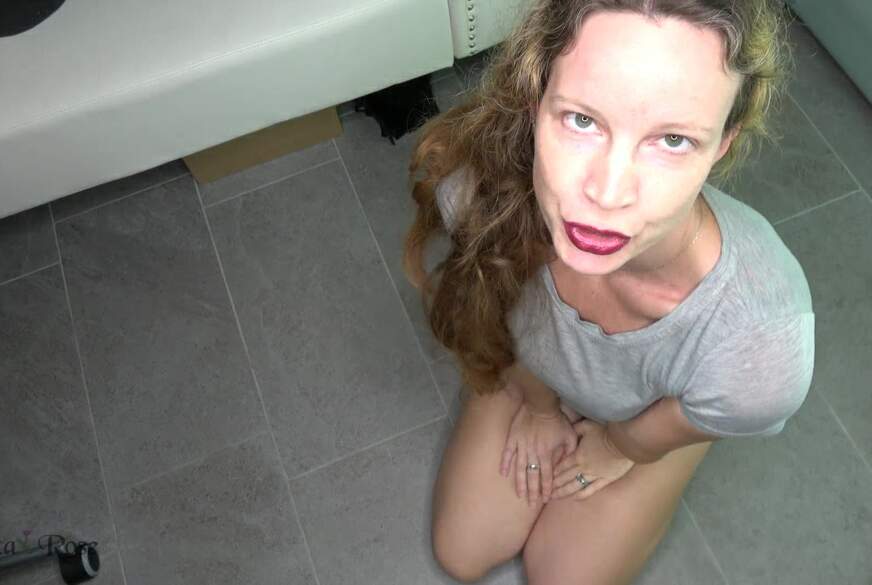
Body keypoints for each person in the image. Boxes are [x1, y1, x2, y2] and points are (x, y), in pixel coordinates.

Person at [403, 1, 816, 584]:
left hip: (649, 411)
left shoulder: (759, 344)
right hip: (533, 371)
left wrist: (626, 444)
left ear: (723, 143)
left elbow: (708, 406)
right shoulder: (481, 197)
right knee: (462, 552)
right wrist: (539, 406)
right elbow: (490, 314)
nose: (608, 192)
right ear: (535, 100)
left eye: (673, 139)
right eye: (582, 120)